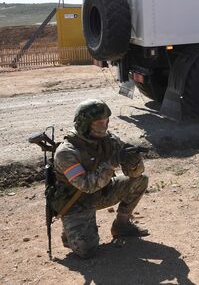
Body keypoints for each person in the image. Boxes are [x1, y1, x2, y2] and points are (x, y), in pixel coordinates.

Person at [53, 99, 149, 259]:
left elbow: (135, 174)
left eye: (106, 121)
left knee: (141, 180)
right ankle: (70, 231)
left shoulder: (109, 140)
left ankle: (121, 226)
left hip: (101, 192)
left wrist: (134, 162)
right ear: (84, 124)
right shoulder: (66, 153)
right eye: (99, 123)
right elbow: (86, 185)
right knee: (87, 250)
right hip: (76, 202)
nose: (105, 126)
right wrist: (112, 162)